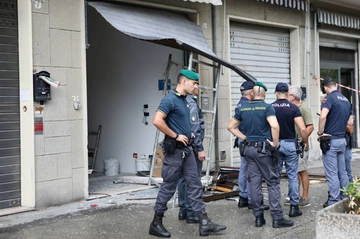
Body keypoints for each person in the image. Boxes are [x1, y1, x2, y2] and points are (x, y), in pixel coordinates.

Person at [150, 69, 226, 237]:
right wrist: (176, 135)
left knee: (194, 185)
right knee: (169, 187)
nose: (196, 86)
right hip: (175, 153)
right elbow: (157, 120)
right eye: (194, 83)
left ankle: (204, 222)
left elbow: (183, 123)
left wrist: (188, 133)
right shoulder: (170, 99)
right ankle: (156, 223)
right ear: (184, 82)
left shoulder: (186, 101)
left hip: (187, 151)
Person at [227, 81, 294, 228]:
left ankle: (258, 218)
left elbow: (230, 126)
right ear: (264, 94)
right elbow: (275, 125)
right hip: (264, 151)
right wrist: (275, 143)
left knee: (254, 183)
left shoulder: (243, 108)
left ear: (252, 93)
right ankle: (277, 218)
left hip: (249, 150)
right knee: (273, 182)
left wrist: (245, 138)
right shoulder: (267, 107)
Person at [272, 82, 308, 218]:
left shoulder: (270, 108)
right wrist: (304, 142)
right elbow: (303, 128)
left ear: (275, 93)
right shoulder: (293, 108)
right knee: (292, 176)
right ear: (288, 93)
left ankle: (275, 208)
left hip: (276, 145)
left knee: (275, 177)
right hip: (290, 144)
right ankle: (294, 207)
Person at [234, 81, 269, 210]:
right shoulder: (248, 105)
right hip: (248, 139)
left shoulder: (240, 104)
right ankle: (251, 199)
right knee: (251, 171)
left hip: (241, 139)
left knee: (244, 169)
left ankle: (243, 197)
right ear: (251, 92)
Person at [318, 77, 352, 207]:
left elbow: (323, 116)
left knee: (332, 173)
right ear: (336, 85)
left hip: (330, 141)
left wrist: (320, 133)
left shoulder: (329, 98)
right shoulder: (346, 100)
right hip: (342, 140)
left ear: (326, 87)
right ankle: (344, 197)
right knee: (342, 172)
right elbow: (349, 122)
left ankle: (333, 201)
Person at [177, 86, 206, 223]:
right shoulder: (191, 103)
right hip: (193, 147)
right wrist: (199, 148)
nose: (197, 87)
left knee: (183, 179)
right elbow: (195, 127)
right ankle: (191, 212)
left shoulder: (179, 101)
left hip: (182, 146)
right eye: (195, 83)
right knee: (193, 180)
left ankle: (183, 209)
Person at [287, 86, 314, 207]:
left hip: (300, 146)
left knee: (302, 170)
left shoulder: (304, 109)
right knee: (294, 172)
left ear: (293, 97)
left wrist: (302, 140)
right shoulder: (290, 108)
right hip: (291, 145)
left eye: (288, 95)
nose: (286, 97)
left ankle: (305, 196)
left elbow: (310, 126)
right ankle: (295, 196)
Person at [345, 112, 355, 183]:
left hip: (347, 144)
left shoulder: (348, 110)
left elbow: (350, 128)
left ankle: (351, 188)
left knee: (347, 168)